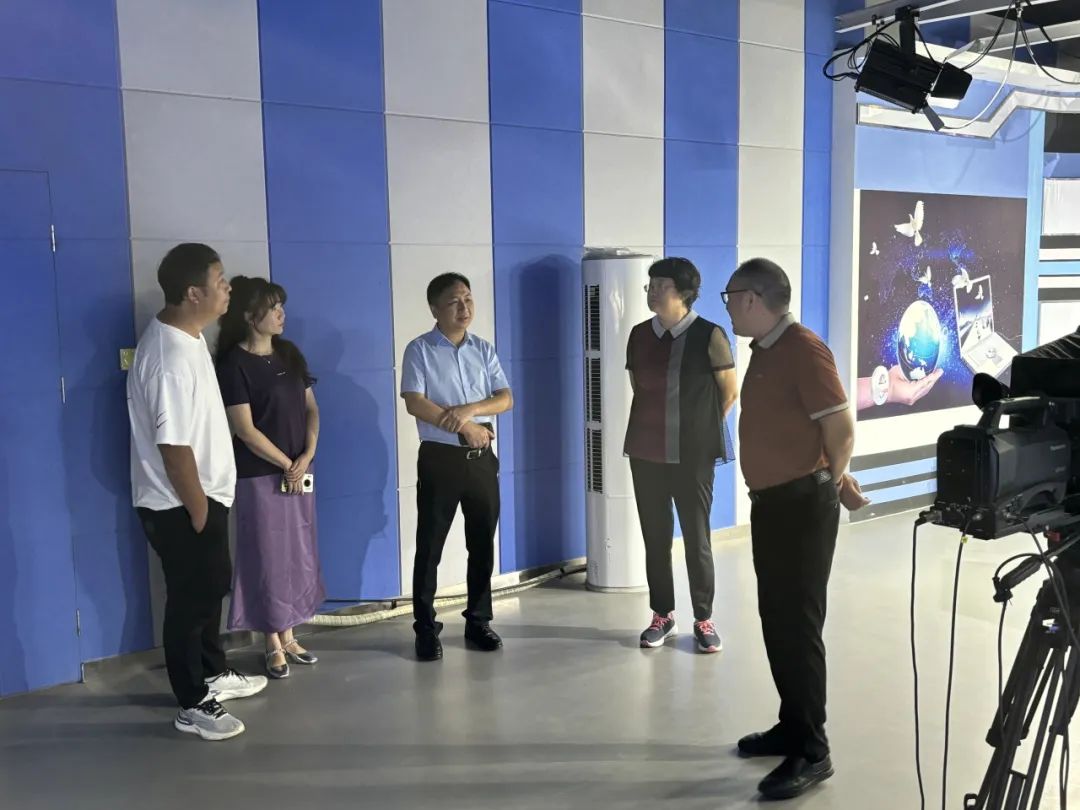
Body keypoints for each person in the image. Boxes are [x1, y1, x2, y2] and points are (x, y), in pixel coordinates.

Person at [722, 258, 868, 800]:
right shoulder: (765, 349)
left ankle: (813, 749)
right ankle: (792, 724)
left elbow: (841, 429)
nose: (728, 307)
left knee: (799, 624)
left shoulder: (804, 349)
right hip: (773, 505)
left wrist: (830, 479)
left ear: (752, 298)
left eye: (730, 297)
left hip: (802, 506)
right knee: (777, 619)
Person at [127, 243, 267, 741]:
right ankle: (191, 703)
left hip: (201, 497)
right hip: (180, 503)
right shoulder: (168, 355)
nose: (228, 288)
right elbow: (174, 447)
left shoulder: (189, 339)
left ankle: (211, 671)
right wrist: (200, 510)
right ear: (193, 293)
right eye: (220, 280)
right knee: (190, 601)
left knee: (209, 589)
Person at [624, 257, 738, 652]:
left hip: (693, 455)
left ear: (684, 293)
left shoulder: (709, 335)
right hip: (646, 451)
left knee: (696, 537)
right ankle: (662, 615)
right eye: (651, 285)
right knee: (655, 537)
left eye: (661, 285)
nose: (653, 291)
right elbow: (639, 386)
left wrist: (697, 430)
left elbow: (729, 392)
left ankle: (704, 619)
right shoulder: (639, 335)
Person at [400, 273, 513, 661]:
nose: (464, 308)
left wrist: (470, 410)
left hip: (481, 460)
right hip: (440, 459)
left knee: (481, 543)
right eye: (454, 301)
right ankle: (425, 628)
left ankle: (478, 620)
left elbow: (505, 398)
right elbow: (415, 401)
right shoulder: (419, 350)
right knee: (430, 546)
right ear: (435, 309)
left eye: (468, 299)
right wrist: (465, 426)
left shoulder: (483, 349)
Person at [216, 277, 324, 680]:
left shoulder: (289, 354)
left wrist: (306, 456)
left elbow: (311, 409)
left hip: (299, 470)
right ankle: (271, 640)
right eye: (273, 307)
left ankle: (290, 634)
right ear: (249, 315)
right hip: (261, 475)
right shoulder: (233, 364)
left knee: (297, 551)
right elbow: (245, 429)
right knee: (266, 555)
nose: (281, 314)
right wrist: (287, 463)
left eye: (281, 306)